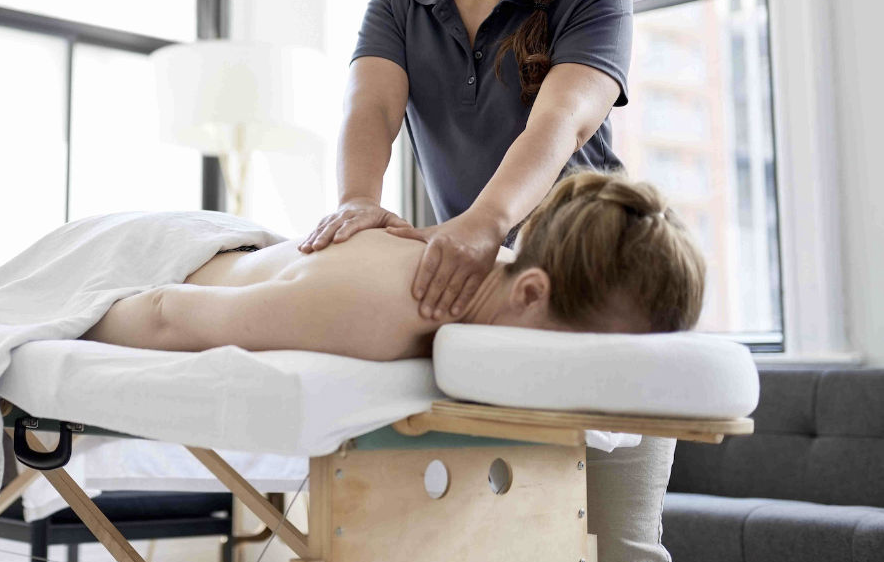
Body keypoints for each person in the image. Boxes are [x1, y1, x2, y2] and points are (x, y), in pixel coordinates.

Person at [291, 0, 683, 562]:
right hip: (490, 301)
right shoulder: (401, 3)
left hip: (599, 288)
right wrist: (359, 203)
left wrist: (482, 222)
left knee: (620, 558)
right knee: (450, 556)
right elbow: (369, 109)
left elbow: (562, 120)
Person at [84, 169, 704, 361]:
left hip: (242, 250)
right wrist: (52, 327)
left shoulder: (504, 282)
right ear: (532, 292)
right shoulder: (385, 309)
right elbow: (166, 315)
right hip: (136, 260)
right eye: (594, 356)